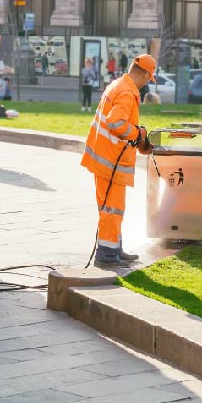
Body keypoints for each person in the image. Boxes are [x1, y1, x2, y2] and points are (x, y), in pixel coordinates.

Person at [81, 54, 156, 268]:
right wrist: (138, 134)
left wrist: (137, 136)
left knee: (112, 209)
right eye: (148, 79)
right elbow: (116, 123)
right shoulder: (125, 92)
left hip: (106, 159)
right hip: (110, 162)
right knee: (112, 209)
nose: (146, 84)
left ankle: (114, 249)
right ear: (143, 74)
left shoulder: (119, 85)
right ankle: (106, 255)